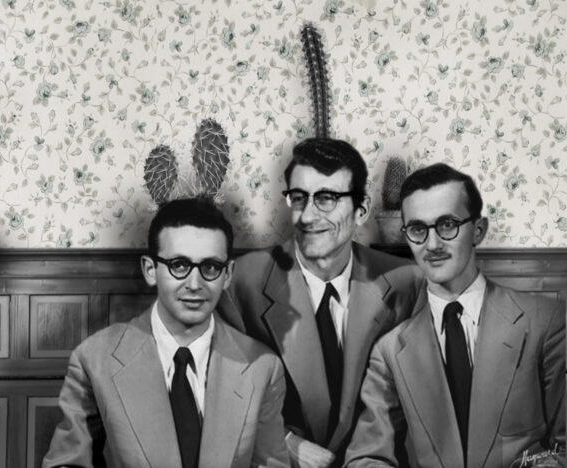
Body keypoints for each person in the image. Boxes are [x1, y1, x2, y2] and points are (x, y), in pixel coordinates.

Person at [344, 163, 565, 467]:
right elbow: (366, 457)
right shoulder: (389, 352)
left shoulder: (546, 322)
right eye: (418, 229)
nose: (433, 244)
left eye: (447, 224)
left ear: (478, 230)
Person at [43, 197, 290, 468]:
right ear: (151, 270)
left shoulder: (262, 368)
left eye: (210, 267)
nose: (194, 284)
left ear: (227, 275)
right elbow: (68, 462)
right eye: (179, 266)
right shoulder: (94, 359)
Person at [218, 138, 421, 468]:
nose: (308, 216)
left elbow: (420, 403)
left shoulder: (406, 283)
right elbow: (221, 395)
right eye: (300, 198)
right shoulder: (242, 283)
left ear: (362, 210)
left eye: (327, 199)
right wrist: (285, 442)